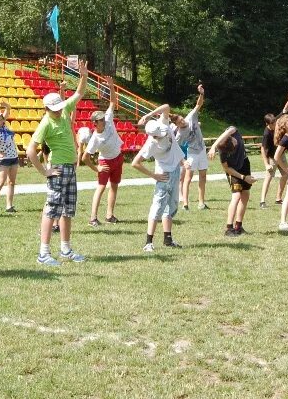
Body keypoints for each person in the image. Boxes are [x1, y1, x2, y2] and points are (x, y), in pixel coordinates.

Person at [26, 60, 90, 266]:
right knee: (51, 209)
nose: (57, 111)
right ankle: (43, 253)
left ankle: (65, 249)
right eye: (53, 108)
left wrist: (83, 76)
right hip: (58, 169)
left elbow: (79, 93)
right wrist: (44, 171)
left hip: (69, 168)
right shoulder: (46, 122)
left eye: (59, 107)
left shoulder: (63, 111)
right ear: (46, 108)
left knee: (67, 210)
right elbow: (30, 151)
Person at [130, 106, 184, 252]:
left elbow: (166, 106)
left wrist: (148, 115)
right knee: (157, 207)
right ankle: (148, 242)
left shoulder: (163, 124)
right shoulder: (151, 144)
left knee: (170, 208)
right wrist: (154, 176)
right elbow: (135, 163)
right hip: (164, 176)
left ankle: (168, 239)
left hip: (175, 172)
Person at [83, 77, 125, 226]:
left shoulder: (108, 119)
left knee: (114, 186)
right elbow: (85, 157)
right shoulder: (95, 139)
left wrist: (112, 86)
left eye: (102, 118)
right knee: (101, 188)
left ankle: (109, 215)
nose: (103, 120)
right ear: (95, 123)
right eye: (100, 119)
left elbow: (113, 102)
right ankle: (93, 218)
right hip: (105, 162)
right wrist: (96, 168)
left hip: (118, 158)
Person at [209, 126, 255, 236]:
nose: (236, 144)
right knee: (237, 196)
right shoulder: (223, 151)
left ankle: (238, 226)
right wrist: (244, 177)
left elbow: (229, 131)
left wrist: (213, 147)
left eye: (234, 142)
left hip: (244, 163)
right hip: (233, 170)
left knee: (245, 195)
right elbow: (227, 168)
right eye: (234, 146)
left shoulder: (232, 131)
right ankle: (229, 228)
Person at [176, 84, 209, 211]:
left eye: (182, 120)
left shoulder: (190, 117)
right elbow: (176, 147)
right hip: (192, 154)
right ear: (177, 125)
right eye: (180, 122)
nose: (183, 122)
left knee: (203, 176)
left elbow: (198, 105)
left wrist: (201, 93)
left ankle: (201, 203)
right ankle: (185, 203)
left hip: (202, 150)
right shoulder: (179, 135)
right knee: (188, 178)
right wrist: (182, 161)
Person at [260, 92, 288, 208]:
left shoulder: (277, 121)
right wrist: (266, 164)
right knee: (269, 176)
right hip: (271, 157)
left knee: (285, 174)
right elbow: (263, 149)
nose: (275, 125)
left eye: (275, 122)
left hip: (281, 155)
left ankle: (278, 198)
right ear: (267, 124)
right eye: (272, 124)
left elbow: (285, 110)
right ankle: (262, 201)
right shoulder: (266, 133)